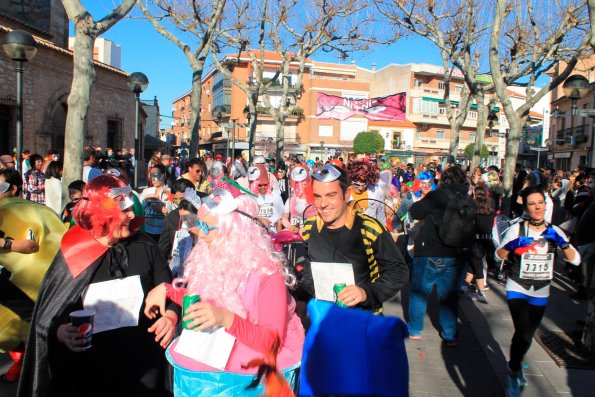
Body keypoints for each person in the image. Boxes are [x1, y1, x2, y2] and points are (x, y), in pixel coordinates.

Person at [18, 175, 178, 397]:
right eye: (125, 210)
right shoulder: (75, 252)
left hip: (142, 362)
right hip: (88, 371)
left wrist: (171, 316)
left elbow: (171, 291)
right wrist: (61, 331)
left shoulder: (145, 245)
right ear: (104, 213)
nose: (132, 215)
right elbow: (48, 317)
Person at [144, 188, 304, 395]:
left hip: (248, 382)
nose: (200, 233)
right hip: (203, 373)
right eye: (197, 224)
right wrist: (167, 291)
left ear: (233, 229)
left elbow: (271, 342)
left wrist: (226, 318)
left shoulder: (266, 274)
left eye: (205, 226)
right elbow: (204, 301)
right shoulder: (210, 259)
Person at [496, 186, 580, 396]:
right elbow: (498, 255)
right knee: (523, 332)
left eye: (540, 203)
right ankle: (514, 373)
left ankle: (515, 364)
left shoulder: (554, 231)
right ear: (526, 207)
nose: (537, 208)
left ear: (545, 204)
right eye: (532, 204)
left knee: (527, 334)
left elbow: (576, 260)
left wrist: (562, 242)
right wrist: (513, 245)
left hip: (541, 290)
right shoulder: (518, 228)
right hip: (518, 286)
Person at [300, 164, 409, 313]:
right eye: (318, 197)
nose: (323, 204)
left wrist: (365, 293)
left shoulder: (369, 228)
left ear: (346, 194)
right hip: (325, 320)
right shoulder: (309, 228)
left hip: (364, 321)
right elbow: (309, 269)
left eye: (331, 195)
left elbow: (398, 271)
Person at [407, 165, 472, 345]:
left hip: (430, 250)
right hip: (457, 254)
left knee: (419, 292)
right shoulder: (468, 198)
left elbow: (415, 211)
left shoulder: (437, 195)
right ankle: (450, 334)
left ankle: (414, 330)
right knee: (449, 297)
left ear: (443, 179)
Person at [462, 184, 496, 303]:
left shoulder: (473, 210)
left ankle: (481, 293)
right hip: (486, 241)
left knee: (478, 266)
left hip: (475, 242)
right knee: (473, 264)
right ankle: (465, 286)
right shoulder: (490, 209)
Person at [345, 160, 386, 225]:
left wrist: (384, 233)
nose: (361, 188)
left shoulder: (376, 191)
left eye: (364, 185)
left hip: (372, 232)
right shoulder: (344, 193)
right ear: (351, 180)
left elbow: (380, 215)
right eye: (357, 185)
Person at [140, 164, 174, 241]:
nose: (153, 179)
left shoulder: (170, 192)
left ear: (164, 175)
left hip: (164, 232)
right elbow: (139, 208)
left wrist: (163, 210)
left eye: (156, 175)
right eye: (151, 176)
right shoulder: (146, 191)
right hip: (147, 230)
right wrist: (146, 199)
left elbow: (175, 211)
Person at [281, 165, 317, 234]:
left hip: (311, 236)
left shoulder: (314, 199)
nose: (299, 187)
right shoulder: (290, 200)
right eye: (297, 184)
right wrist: (290, 227)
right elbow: (284, 219)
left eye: (303, 184)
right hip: (294, 238)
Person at [248, 165, 285, 233]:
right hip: (257, 233)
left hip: (274, 232)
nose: (263, 187)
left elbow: (281, 214)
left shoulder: (275, 196)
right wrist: (261, 219)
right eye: (260, 185)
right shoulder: (251, 198)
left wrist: (273, 221)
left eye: (265, 184)